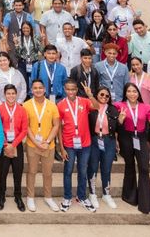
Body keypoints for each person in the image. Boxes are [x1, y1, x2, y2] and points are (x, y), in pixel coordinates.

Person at [56, 80, 98, 212]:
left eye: (73, 89)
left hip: (85, 143)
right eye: (68, 89)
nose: (71, 92)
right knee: (68, 171)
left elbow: (97, 106)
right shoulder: (60, 105)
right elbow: (59, 128)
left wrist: (90, 95)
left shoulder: (84, 101)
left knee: (83, 171)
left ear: (77, 89)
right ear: (64, 89)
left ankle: (82, 197)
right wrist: (61, 148)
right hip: (69, 144)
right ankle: (67, 197)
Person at [115, 82, 150, 214]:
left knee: (144, 167)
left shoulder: (147, 107)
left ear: (138, 93)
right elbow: (115, 125)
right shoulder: (118, 106)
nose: (132, 94)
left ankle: (145, 201)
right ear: (125, 93)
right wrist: (120, 119)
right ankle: (129, 196)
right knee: (129, 165)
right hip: (126, 138)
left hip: (141, 138)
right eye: (129, 91)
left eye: (134, 91)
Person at [22, 78, 60, 212]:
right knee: (32, 171)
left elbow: (56, 125)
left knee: (47, 173)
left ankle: (48, 197)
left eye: (40, 88)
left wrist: (47, 141)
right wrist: (36, 142)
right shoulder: (26, 105)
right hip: (32, 145)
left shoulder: (52, 105)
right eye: (35, 88)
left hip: (48, 145)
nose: (38, 90)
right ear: (31, 90)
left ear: (44, 89)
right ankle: (30, 197)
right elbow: (26, 126)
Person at [0, 84, 28, 212]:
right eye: (8, 93)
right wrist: (5, 144)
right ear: (4, 95)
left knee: (17, 173)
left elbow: (24, 130)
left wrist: (13, 145)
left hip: (17, 144)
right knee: (2, 173)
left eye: (13, 93)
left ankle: (18, 197)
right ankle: (1, 197)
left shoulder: (22, 109)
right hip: (3, 144)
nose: (11, 96)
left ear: (16, 94)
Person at [87, 86, 119, 209]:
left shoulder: (113, 109)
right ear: (97, 95)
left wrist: (117, 141)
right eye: (101, 94)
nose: (104, 97)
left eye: (107, 96)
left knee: (106, 168)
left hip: (108, 141)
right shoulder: (91, 107)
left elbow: (117, 128)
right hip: (94, 140)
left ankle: (106, 194)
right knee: (93, 167)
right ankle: (92, 194)